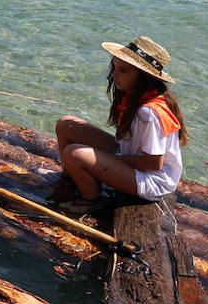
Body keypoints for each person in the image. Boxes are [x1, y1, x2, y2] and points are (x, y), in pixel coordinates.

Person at [53, 37, 187, 204]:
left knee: (75, 153)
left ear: (143, 77)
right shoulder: (134, 95)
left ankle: (89, 202)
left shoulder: (149, 113)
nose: (114, 74)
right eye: (114, 68)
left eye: (123, 70)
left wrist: (110, 160)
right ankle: (71, 177)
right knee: (66, 124)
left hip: (151, 180)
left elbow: (153, 164)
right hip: (129, 156)